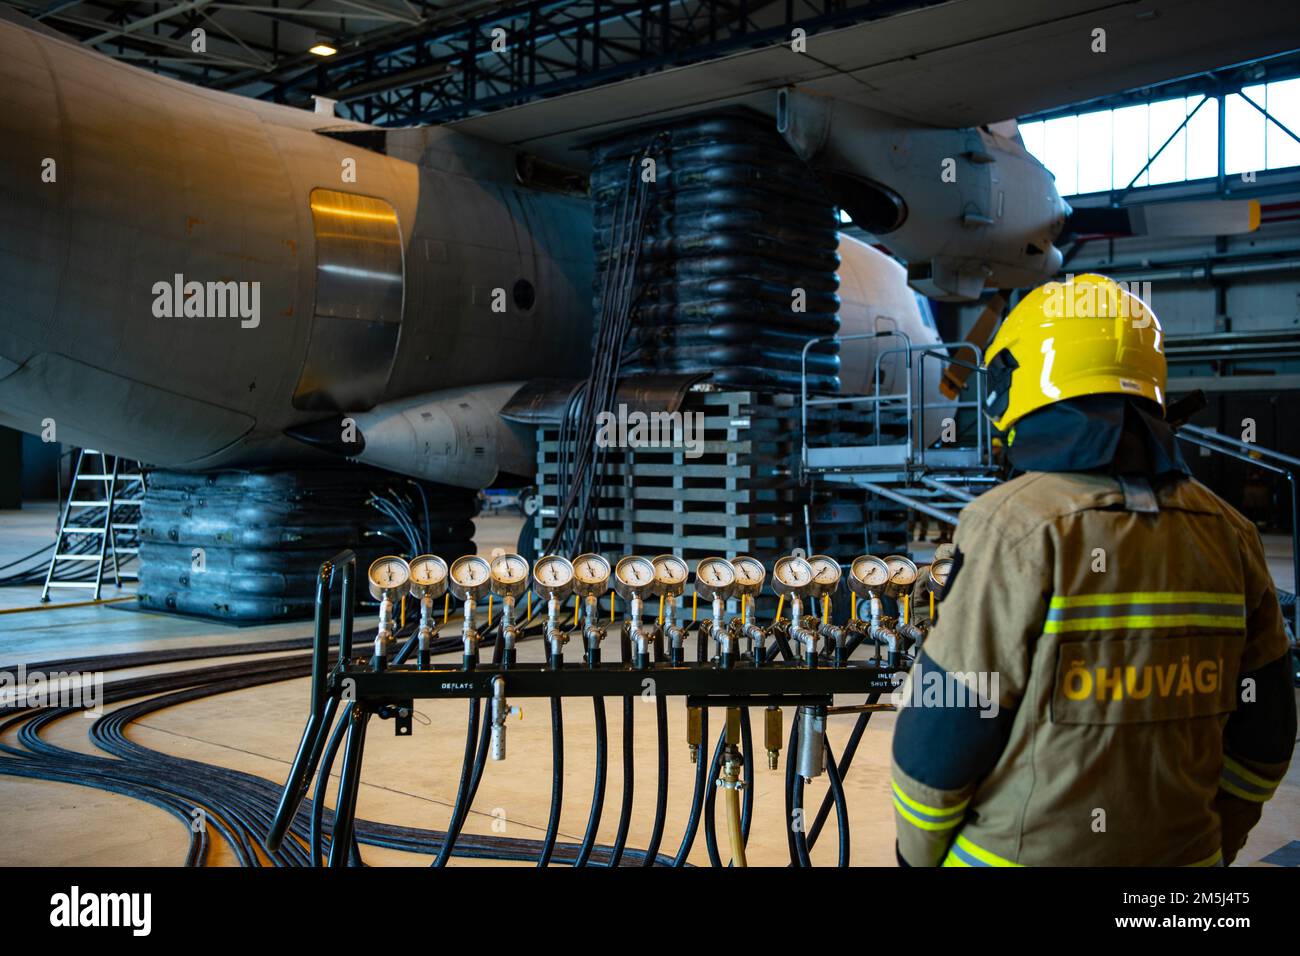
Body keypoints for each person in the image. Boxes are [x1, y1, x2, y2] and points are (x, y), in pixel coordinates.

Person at [891, 274, 1296, 867]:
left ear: (1017, 382)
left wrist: (916, 859)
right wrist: (1211, 844)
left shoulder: (1011, 526)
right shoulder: (1231, 533)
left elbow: (943, 736)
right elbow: (1267, 734)